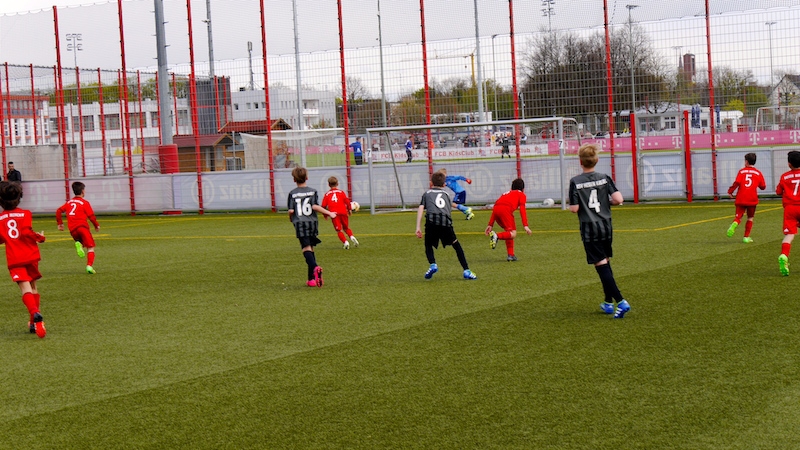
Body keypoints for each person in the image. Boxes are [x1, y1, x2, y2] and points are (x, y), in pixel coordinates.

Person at [568, 143, 630, 319]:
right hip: (606, 226)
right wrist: (605, 203)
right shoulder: (604, 178)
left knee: (600, 265)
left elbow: (574, 208)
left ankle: (621, 301)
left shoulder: (575, 182)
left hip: (590, 228)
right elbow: (618, 199)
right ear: (596, 160)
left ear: (580, 162)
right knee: (605, 261)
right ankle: (608, 302)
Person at [0, 181, 47, 338]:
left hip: (16, 258)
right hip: (31, 256)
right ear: (19, 198)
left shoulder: (0, 219)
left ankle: (35, 312)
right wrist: (40, 237)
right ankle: (34, 324)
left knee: (25, 289)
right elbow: (27, 232)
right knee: (33, 287)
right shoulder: (26, 213)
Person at [415, 171, 477, 280]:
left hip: (431, 223)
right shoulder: (447, 195)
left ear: (431, 183)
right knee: (456, 246)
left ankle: (433, 264)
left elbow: (421, 208)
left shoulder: (427, 194)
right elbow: (448, 211)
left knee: (428, 244)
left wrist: (418, 227)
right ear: (444, 185)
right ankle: (466, 270)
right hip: (445, 224)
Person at [288, 167, 336, 287]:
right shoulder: (313, 191)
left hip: (300, 223)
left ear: (294, 179)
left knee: (306, 248)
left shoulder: (292, 193)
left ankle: (315, 267)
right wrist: (329, 213)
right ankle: (311, 280)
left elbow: (291, 211)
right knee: (311, 248)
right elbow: (314, 206)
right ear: (307, 178)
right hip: (312, 223)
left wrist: (291, 218)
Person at [56, 181, 101, 274]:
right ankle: (89, 266)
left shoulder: (69, 202)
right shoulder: (84, 203)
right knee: (90, 247)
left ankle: (79, 243)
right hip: (82, 228)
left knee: (81, 241)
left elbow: (58, 211)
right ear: (83, 191)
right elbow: (91, 216)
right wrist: (96, 225)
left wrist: (60, 223)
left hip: (72, 230)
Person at [485, 178, 532, 261]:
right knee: (513, 233)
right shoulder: (521, 194)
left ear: (512, 188)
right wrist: (525, 225)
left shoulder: (505, 194)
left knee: (509, 232)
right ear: (523, 189)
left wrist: (490, 224)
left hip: (496, 210)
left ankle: (511, 255)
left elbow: (497, 205)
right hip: (506, 210)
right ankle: (497, 236)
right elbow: (522, 210)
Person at [726, 152, 766, 243]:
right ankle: (746, 237)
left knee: (738, 217)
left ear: (746, 162)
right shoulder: (758, 173)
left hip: (741, 198)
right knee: (750, 218)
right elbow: (763, 187)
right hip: (752, 199)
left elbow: (737, 182)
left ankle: (734, 224)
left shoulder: (741, 171)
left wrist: (730, 191)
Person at [776, 150, 800, 277]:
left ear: (789, 164)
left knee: (789, 235)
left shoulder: (784, 176)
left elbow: (778, 192)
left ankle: (784, 255)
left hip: (790, 208)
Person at [321, 176, 359, 250]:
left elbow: (323, 206)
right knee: (346, 228)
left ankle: (345, 242)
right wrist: (349, 209)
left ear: (328, 185)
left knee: (339, 230)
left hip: (334, 214)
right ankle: (352, 236)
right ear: (337, 184)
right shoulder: (341, 192)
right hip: (343, 212)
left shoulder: (327, 194)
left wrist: (325, 215)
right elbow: (347, 201)